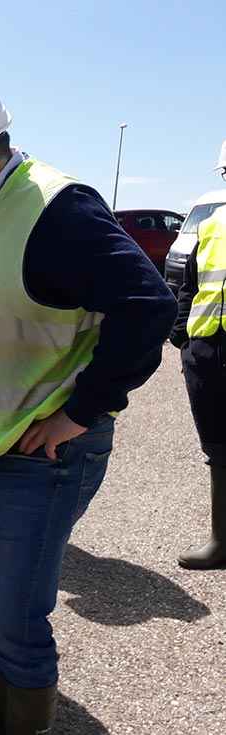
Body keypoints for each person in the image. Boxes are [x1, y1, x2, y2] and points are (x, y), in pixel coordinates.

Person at [0, 72, 177, 732]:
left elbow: (149, 305)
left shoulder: (55, 209)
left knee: (15, 621)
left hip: (41, 457)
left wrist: (81, 411)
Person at [170, 172, 226, 569]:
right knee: (219, 449)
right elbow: (190, 285)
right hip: (208, 350)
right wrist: (182, 339)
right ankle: (221, 542)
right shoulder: (213, 224)